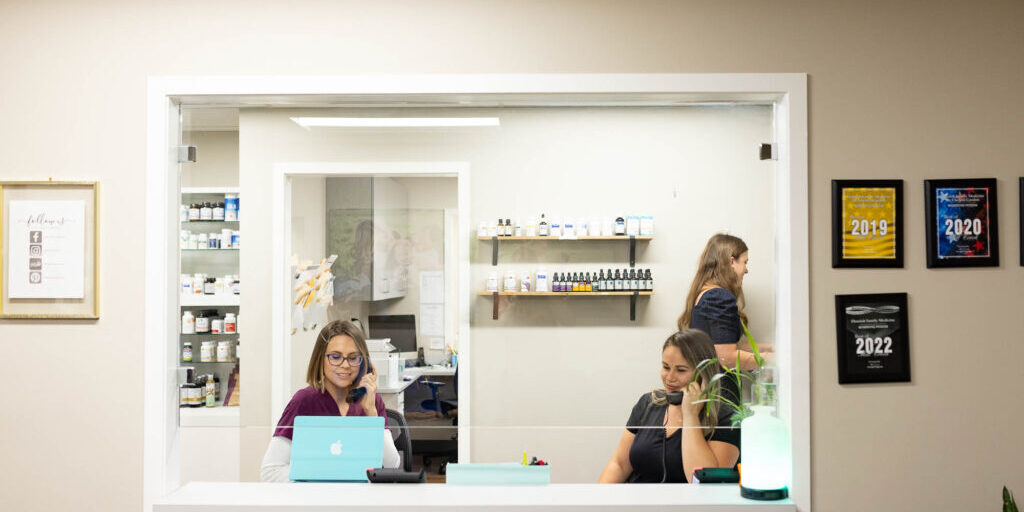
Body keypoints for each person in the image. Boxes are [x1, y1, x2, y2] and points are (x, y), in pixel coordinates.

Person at [260, 320, 400, 481]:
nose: (345, 365)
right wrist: (322, 474)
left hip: (360, 500)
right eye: (335, 357)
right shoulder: (304, 401)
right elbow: (270, 472)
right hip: (318, 501)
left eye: (353, 358)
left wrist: (371, 414)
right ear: (321, 359)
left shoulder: (371, 402)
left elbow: (392, 466)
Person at [599, 329, 740, 483]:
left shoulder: (727, 419)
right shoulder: (648, 403)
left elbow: (703, 484)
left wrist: (691, 415)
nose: (670, 377)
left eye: (681, 370)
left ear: (703, 374)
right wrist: (599, 501)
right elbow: (618, 465)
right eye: (666, 367)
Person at [677, 233, 772, 371]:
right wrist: (774, 359)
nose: (746, 270)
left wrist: (766, 348)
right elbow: (727, 358)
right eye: (745, 262)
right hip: (721, 390)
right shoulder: (718, 297)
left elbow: (724, 346)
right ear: (732, 262)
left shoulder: (706, 294)